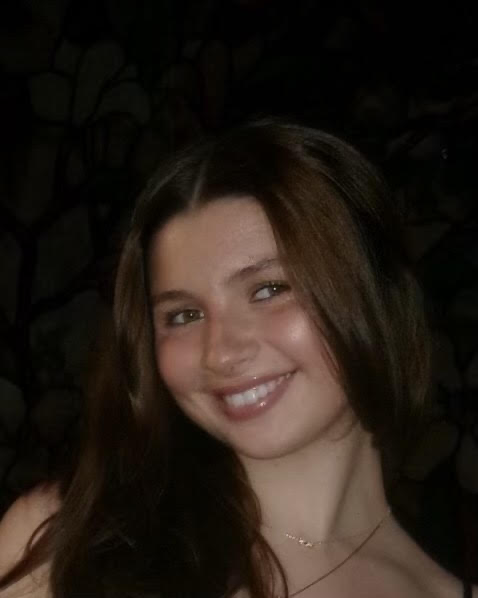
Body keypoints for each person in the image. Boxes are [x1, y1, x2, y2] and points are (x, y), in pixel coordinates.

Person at [0, 120, 475, 598]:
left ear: (375, 297)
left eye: (268, 290)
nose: (221, 353)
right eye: (184, 315)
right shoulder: (66, 546)